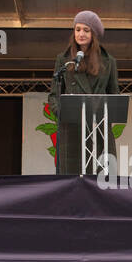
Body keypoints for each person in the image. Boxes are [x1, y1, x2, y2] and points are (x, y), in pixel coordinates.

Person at [49, 11, 120, 174]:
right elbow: (54, 95)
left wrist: (107, 116)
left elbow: (114, 94)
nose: (81, 34)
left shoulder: (109, 61)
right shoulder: (63, 59)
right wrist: (64, 113)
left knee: (103, 177)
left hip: (99, 128)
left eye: (86, 30)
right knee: (72, 179)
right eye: (77, 29)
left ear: (94, 34)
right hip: (72, 129)